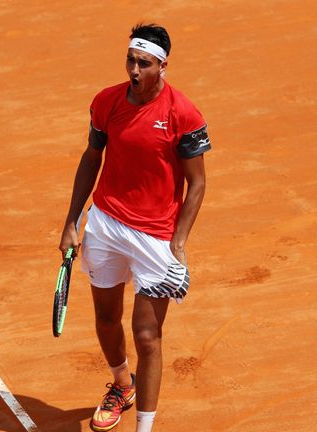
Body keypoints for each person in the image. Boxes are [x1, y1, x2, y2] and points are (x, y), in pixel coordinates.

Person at [59, 23, 211, 432]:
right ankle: (121, 385)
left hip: (156, 236)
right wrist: (72, 221)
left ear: (162, 65)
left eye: (144, 63)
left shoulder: (183, 113)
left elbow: (196, 183)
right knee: (106, 318)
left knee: (147, 335)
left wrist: (178, 244)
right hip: (107, 224)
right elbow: (91, 158)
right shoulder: (107, 102)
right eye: (131, 60)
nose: (135, 69)